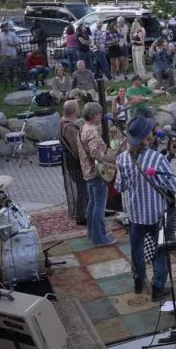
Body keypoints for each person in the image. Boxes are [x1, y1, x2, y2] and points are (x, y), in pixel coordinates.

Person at [114, 116, 176, 299]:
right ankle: (157, 287)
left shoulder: (122, 159)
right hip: (157, 216)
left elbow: (119, 187)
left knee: (137, 250)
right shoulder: (157, 158)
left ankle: (138, 281)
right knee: (160, 251)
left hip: (135, 215)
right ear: (147, 137)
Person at [77, 101, 118, 246]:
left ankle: (92, 234)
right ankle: (100, 238)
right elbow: (96, 154)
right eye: (100, 113)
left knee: (92, 204)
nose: (101, 115)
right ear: (94, 115)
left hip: (87, 171)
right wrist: (112, 159)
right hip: (97, 173)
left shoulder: (83, 128)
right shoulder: (93, 132)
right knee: (99, 207)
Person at [58, 100, 87, 225]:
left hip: (71, 159)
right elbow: (76, 147)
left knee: (83, 187)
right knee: (82, 188)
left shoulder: (63, 122)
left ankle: (85, 212)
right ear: (74, 111)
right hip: (74, 161)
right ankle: (81, 216)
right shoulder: (69, 127)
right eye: (78, 108)